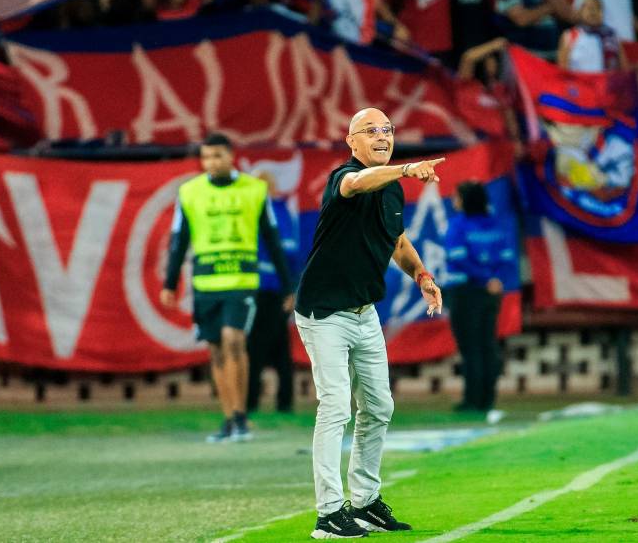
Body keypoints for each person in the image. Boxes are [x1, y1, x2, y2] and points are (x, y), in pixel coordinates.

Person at [294, 107, 444, 539]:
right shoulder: (344, 176)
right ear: (351, 141)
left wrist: (421, 274)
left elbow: (396, 240)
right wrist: (407, 169)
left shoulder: (394, 188)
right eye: (371, 130)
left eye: (388, 130)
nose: (382, 136)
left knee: (379, 407)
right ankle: (327, 513)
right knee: (337, 406)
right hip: (324, 313)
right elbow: (357, 183)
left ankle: (364, 502)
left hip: (363, 312)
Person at [161, 133, 293, 442]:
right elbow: (179, 241)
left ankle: (242, 414)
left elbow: (272, 239)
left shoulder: (254, 190)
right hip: (206, 282)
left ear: (231, 156)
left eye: (218, 155)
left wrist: (289, 285)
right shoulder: (189, 193)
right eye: (207, 157)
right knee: (216, 350)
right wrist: (170, 282)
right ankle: (229, 417)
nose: (212, 162)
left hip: (241, 281)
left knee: (233, 339)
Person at [444, 181, 515, 417]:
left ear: (464, 200)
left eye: (456, 196)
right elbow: (506, 258)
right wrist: (494, 280)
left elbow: (458, 258)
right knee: (487, 344)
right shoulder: (495, 225)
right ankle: (487, 399)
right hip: (492, 292)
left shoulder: (458, 225)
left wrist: (483, 279)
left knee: (470, 346)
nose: (454, 200)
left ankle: (472, 401)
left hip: (467, 291)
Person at [246, 171, 299, 414]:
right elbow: (292, 251)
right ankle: (284, 401)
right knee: (279, 346)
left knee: (256, 346)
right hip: (276, 288)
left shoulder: (268, 212)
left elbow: (287, 250)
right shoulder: (281, 211)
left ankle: (250, 402)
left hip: (266, 288)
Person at [558, 0, 627, 72]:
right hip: (579, 83)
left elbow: (624, 70)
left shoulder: (613, 37)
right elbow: (562, 72)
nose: (593, 12)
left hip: (606, 82)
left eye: (598, 8)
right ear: (580, 12)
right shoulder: (569, 36)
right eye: (589, 8)